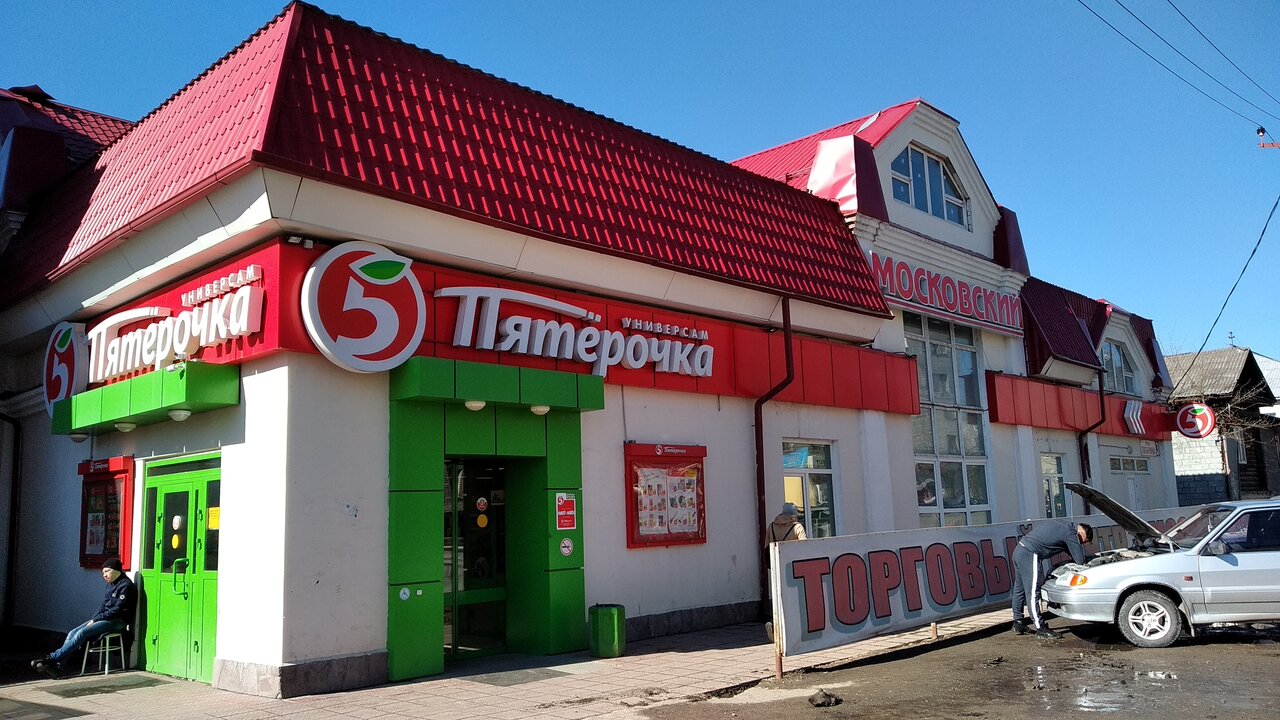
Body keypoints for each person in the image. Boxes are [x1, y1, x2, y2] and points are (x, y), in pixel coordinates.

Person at [32, 557, 136, 678]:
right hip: (105, 618)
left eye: (107, 571)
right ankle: (58, 666)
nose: (104, 575)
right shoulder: (111, 585)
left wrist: (97, 619)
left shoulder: (126, 586)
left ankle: (51, 658)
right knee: (72, 632)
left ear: (117, 570)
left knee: (82, 633)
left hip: (117, 621)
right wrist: (94, 618)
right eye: (103, 572)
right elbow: (103, 605)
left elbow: (117, 609)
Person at [1011, 521, 1093, 640]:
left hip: (1019, 550)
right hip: (1030, 553)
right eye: (1083, 541)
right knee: (1033, 592)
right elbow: (1080, 560)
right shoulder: (1071, 533)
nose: (1081, 543)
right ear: (1081, 533)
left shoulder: (1064, 527)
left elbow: (1070, 550)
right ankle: (1040, 628)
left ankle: (1018, 622)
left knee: (1020, 589)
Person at [763, 503, 807, 642]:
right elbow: (804, 547)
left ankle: (775, 626)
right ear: (794, 514)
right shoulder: (797, 527)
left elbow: (766, 547)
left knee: (778, 597)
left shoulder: (771, 526)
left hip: (777, 566)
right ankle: (793, 628)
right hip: (793, 567)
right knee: (794, 598)